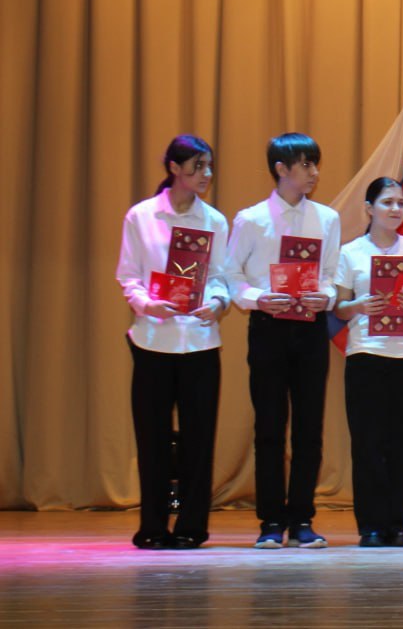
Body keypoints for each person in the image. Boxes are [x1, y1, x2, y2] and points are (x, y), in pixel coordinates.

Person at [226, 133, 341, 548]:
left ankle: (302, 519)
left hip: (310, 328)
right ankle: (271, 522)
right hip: (269, 327)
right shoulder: (251, 219)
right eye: (306, 164)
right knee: (270, 428)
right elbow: (230, 274)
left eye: (315, 164)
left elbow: (331, 275)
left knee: (310, 428)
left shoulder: (327, 218)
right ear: (281, 169)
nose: (314, 173)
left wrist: (326, 296)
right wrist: (258, 298)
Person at [115, 135, 229, 549]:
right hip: (152, 341)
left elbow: (221, 277)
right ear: (174, 168)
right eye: (198, 166)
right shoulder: (142, 216)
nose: (206, 174)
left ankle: (192, 527)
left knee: (200, 438)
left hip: (200, 342)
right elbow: (128, 276)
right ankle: (152, 527)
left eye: (209, 166)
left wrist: (217, 302)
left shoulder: (214, 220)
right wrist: (147, 304)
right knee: (153, 438)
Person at [334, 178, 403, 548]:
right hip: (366, 353)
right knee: (367, 442)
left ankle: (399, 524)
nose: (395, 209)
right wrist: (359, 306)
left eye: (400, 203)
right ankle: (371, 526)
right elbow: (339, 307)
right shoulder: (351, 252)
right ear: (369, 208)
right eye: (387, 202)